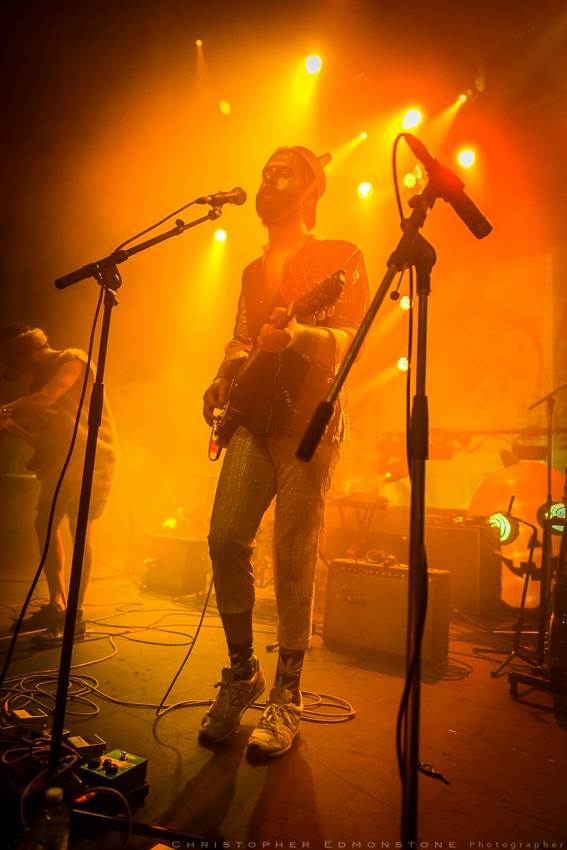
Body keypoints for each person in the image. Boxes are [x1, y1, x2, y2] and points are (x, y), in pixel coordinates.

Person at [200, 145, 369, 759]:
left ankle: (287, 697)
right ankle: (242, 672)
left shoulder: (341, 257)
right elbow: (242, 337)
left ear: (311, 189)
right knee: (224, 538)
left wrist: (297, 334)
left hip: (308, 423)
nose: (268, 182)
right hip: (253, 417)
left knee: (293, 554)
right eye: (264, 172)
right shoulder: (251, 271)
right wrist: (223, 374)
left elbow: (351, 338)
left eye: (283, 174)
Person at [0, 324, 118, 639]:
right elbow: (43, 433)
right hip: (61, 460)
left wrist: (4, 411)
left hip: (93, 456)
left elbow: (45, 399)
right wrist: (14, 430)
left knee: (80, 529)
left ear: (27, 351)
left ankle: (74, 617)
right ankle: (58, 604)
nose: (12, 369)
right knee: (44, 523)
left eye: (13, 361)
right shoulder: (38, 381)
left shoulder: (72, 360)